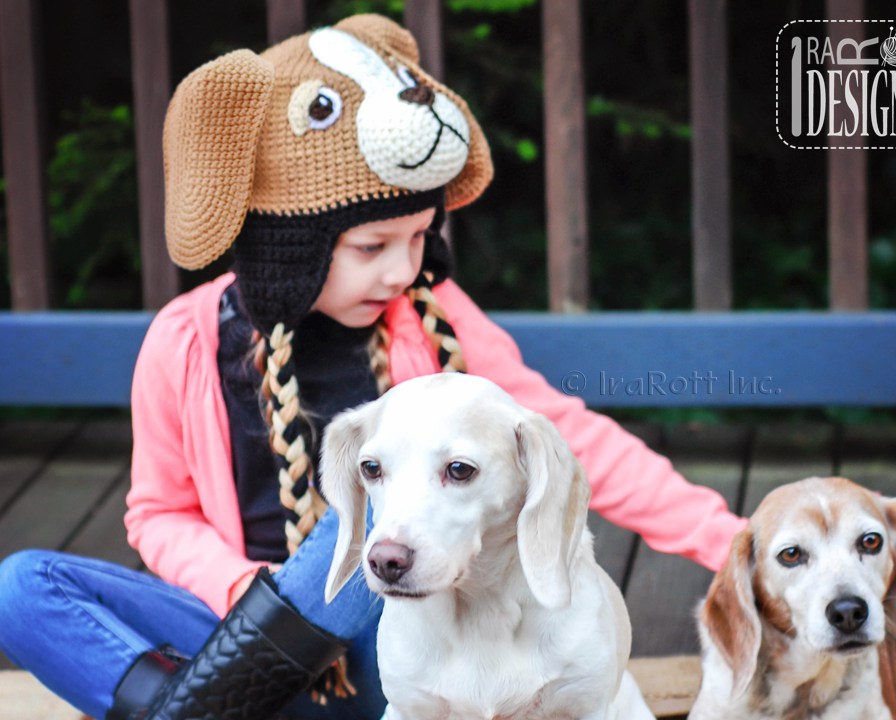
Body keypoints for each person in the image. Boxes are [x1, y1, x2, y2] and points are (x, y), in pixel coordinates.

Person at [0, 13, 746, 720]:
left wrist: (731, 541)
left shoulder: (432, 312)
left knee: (358, 526)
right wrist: (239, 587)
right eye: (372, 247)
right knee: (21, 588)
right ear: (287, 241)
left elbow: (561, 438)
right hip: (235, 639)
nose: (402, 269)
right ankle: (211, 706)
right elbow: (156, 513)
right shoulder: (184, 340)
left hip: (388, 636)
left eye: (419, 238)